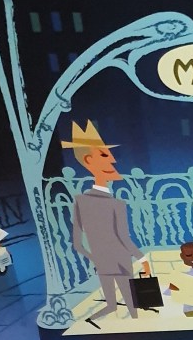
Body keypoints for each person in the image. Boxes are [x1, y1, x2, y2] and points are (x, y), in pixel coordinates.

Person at [61, 121, 150, 327]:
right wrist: (143, 259)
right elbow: (124, 238)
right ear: (89, 160)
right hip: (119, 258)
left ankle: (93, 324)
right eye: (104, 155)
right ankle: (134, 329)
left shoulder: (81, 201)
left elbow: (77, 243)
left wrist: (96, 259)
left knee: (112, 304)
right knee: (131, 305)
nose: (112, 159)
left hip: (102, 260)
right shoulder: (116, 204)